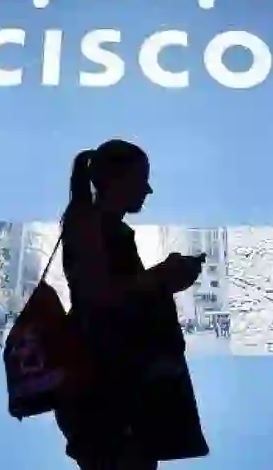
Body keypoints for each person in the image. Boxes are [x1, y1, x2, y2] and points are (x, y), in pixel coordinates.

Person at [55, 140, 210, 470]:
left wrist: (163, 278)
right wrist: (162, 276)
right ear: (116, 180)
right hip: (106, 389)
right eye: (141, 179)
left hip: (114, 388)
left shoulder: (97, 225)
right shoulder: (89, 225)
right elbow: (100, 296)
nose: (148, 190)